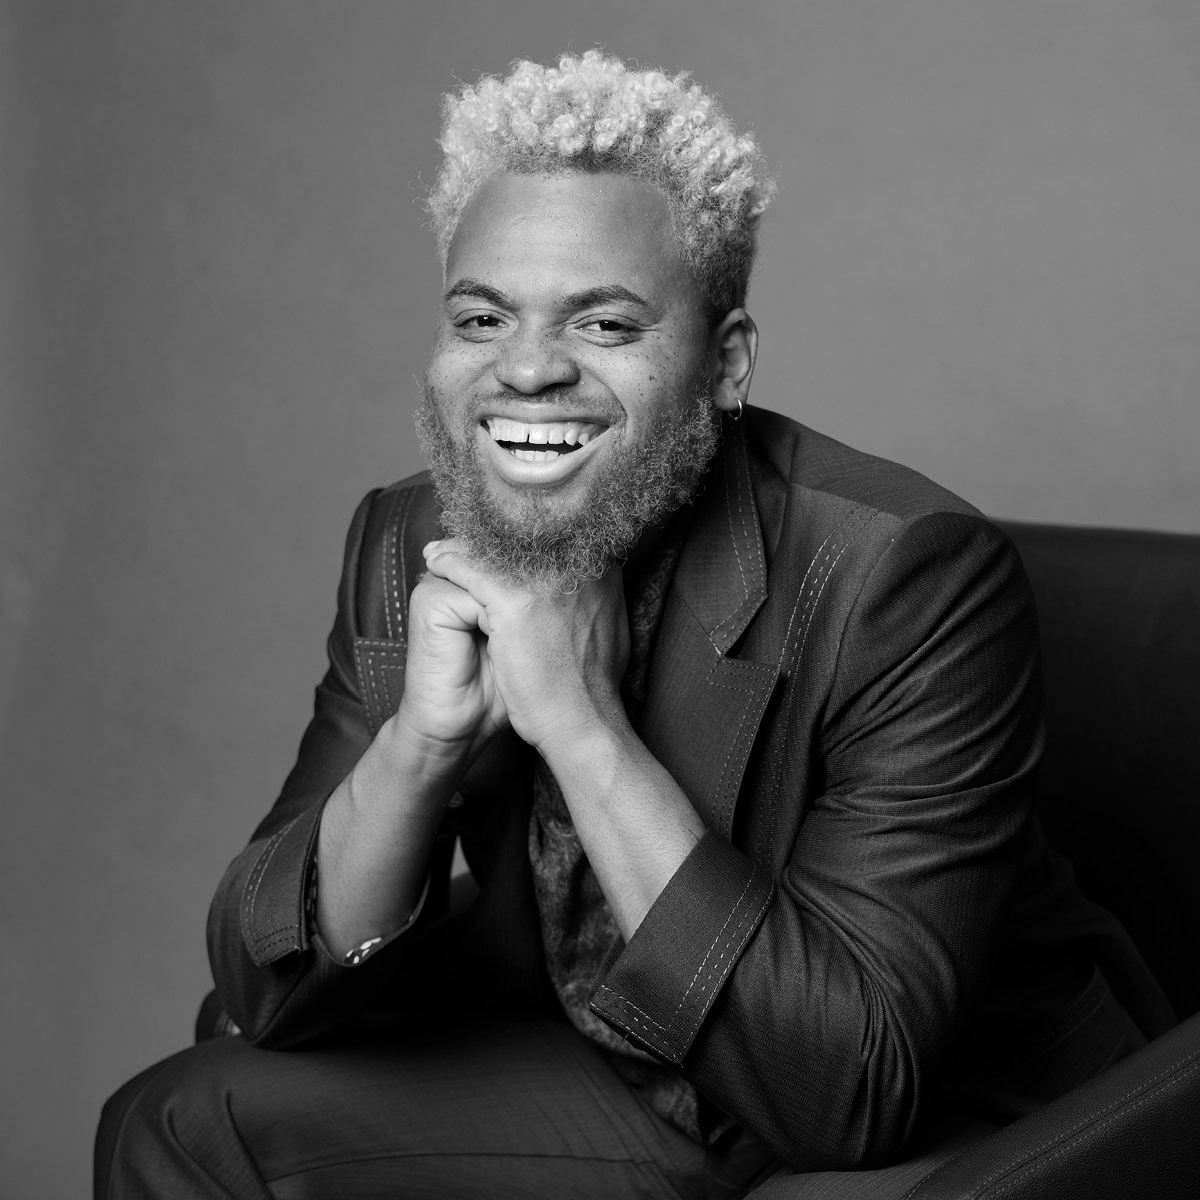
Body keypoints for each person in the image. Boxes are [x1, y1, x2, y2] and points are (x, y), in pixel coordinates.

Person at [95, 50, 1174, 1200]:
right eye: (481, 315)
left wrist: (580, 723)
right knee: (182, 1120)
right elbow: (267, 982)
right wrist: (419, 749)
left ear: (725, 362)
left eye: (605, 324)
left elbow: (851, 1084)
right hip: (619, 1065)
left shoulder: (906, 576)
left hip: (945, 1114)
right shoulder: (413, 541)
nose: (524, 368)